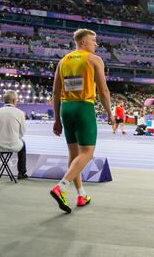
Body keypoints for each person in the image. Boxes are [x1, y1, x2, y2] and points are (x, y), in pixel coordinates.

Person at [50, 29, 113, 214]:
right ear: (84, 42)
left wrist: (56, 119)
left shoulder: (63, 61)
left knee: (74, 154)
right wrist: (109, 113)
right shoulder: (94, 60)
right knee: (87, 153)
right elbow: (103, 91)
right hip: (83, 107)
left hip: (66, 108)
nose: (96, 44)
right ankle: (61, 187)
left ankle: (81, 194)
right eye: (94, 41)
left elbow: (55, 92)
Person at [0, 91, 27, 180]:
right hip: (14, 145)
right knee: (23, 144)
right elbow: (22, 133)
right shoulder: (20, 113)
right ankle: (21, 172)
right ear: (13, 100)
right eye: (16, 99)